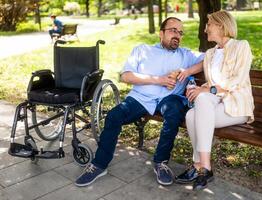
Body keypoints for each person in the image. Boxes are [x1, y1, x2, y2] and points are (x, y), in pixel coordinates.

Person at [75, 17, 205, 187]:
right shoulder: (142, 50)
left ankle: (161, 162)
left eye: (180, 33)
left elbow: (208, 60)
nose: (177, 36)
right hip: (140, 99)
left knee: (173, 110)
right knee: (114, 116)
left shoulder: (186, 55)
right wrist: (160, 80)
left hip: (168, 99)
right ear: (161, 33)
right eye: (173, 30)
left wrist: (187, 71)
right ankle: (99, 165)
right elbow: (126, 76)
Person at [175, 10, 254, 190]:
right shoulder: (210, 53)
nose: (205, 29)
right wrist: (196, 86)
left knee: (199, 106)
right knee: (190, 115)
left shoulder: (241, 46)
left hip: (236, 106)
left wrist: (206, 89)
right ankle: (202, 166)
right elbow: (210, 83)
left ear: (221, 25)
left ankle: (202, 167)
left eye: (208, 25)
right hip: (215, 104)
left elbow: (237, 80)